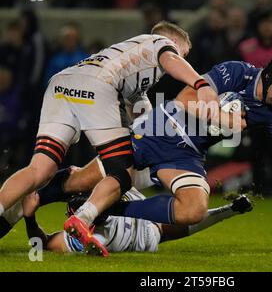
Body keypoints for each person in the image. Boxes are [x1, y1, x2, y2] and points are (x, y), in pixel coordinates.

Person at [0, 21, 219, 254]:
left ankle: (5, 215)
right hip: (96, 85)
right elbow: (170, 58)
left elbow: (144, 120)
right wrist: (200, 83)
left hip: (62, 83)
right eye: (184, 53)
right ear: (175, 42)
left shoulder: (134, 66)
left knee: (39, 170)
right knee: (122, 172)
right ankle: (84, 218)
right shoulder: (161, 43)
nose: (182, 57)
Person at [20, 185, 252, 256]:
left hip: (138, 230)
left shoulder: (108, 185)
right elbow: (45, 244)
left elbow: (42, 244)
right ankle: (229, 210)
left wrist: (30, 217)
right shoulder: (81, 240)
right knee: (174, 222)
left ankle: (229, 210)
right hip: (142, 233)